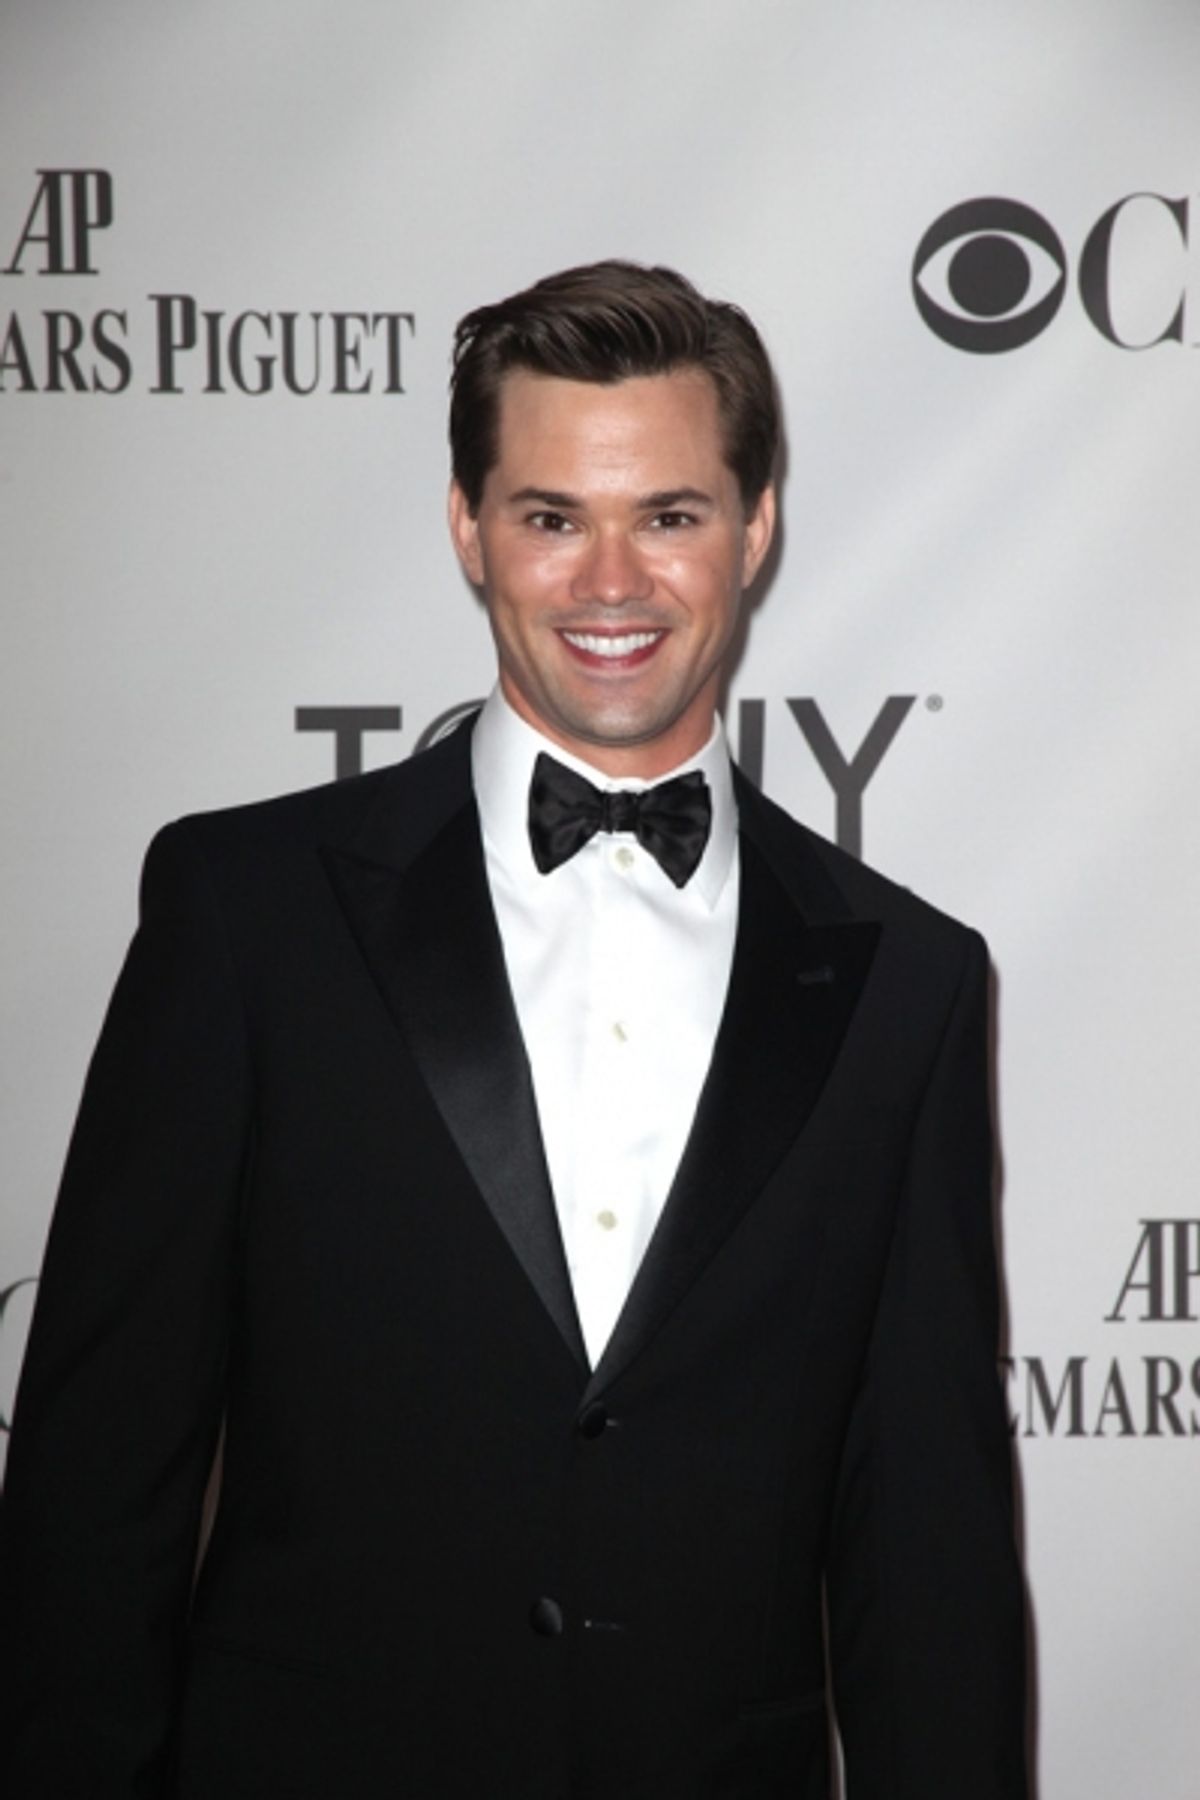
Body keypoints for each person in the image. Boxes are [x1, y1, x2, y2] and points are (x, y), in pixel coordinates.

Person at [0, 260, 1027, 1798]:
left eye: (669, 515)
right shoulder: (248, 913)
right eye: (553, 517)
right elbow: (97, 1486)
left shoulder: (910, 987)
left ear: (755, 531)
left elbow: (929, 1555)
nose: (610, 580)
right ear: (469, 528)